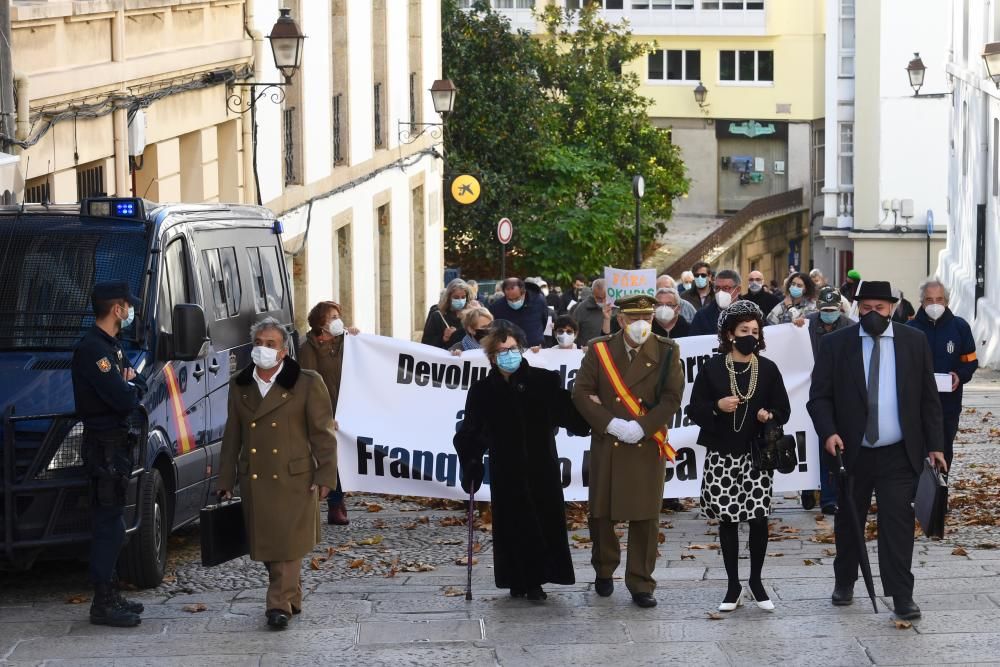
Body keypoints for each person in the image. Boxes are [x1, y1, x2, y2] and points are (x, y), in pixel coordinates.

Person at [807, 281, 947, 621]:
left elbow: (929, 398)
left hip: (899, 453)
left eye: (880, 309)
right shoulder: (836, 345)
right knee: (849, 519)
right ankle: (845, 580)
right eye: (866, 308)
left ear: (892, 308)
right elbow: (819, 397)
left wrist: (936, 446)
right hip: (851, 452)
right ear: (857, 309)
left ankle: (902, 595)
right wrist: (828, 432)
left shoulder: (914, 342)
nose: (873, 315)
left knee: (897, 523)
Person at [454, 320, 590, 600]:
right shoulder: (482, 391)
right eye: (503, 350)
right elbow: (470, 431)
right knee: (513, 525)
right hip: (507, 469)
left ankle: (539, 579)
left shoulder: (544, 380)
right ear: (492, 356)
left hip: (542, 467)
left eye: (514, 348)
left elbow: (570, 413)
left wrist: (591, 412)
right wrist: (471, 461)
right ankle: (517, 579)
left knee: (543, 521)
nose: (509, 354)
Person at [217, 318, 338, 629]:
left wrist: (326, 475)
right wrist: (225, 480)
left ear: (284, 351)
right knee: (268, 545)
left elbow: (323, 434)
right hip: (255, 477)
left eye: (270, 344)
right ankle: (291, 594)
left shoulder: (307, 382)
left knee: (286, 542)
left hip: (294, 477)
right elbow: (233, 435)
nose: (263, 349)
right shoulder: (239, 384)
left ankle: (277, 605)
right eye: (258, 342)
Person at [572, 295, 685, 609]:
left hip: (646, 444)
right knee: (602, 514)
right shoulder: (600, 349)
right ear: (620, 320)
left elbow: (672, 396)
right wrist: (610, 424)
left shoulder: (666, 350)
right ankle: (604, 569)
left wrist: (644, 427)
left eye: (647, 319)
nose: (641, 325)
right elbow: (581, 392)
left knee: (645, 517)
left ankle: (641, 582)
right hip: (610, 442)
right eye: (634, 319)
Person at [685, 301, 790, 612]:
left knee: (759, 519)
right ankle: (733, 584)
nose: (750, 336)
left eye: (755, 331)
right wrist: (718, 406)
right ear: (730, 334)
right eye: (744, 330)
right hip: (722, 454)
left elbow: (783, 409)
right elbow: (694, 409)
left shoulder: (768, 369)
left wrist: (768, 414)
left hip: (757, 456)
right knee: (728, 520)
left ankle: (756, 581)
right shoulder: (712, 367)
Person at [71, 280, 147, 627]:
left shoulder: (111, 345)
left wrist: (130, 383)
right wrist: (129, 385)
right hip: (103, 448)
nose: (130, 311)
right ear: (117, 308)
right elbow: (124, 397)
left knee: (114, 522)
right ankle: (102, 602)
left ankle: (112, 593)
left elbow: (136, 384)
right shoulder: (93, 350)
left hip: (115, 446)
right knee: (107, 524)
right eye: (127, 306)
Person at [297, 300, 360, 526]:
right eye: (331, 317)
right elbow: (309, 382)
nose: (337, 321)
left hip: (346, 408)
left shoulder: (346, 342)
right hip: (325, 411)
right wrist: (321, 414)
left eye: (338, 316)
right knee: (325, 456)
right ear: (320, 323)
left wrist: (356, 338)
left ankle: (336, 501)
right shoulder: (309, 348)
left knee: (341, 457)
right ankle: (327, 502)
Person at [907, 279, 979, 469]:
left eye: (939, 299)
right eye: (929, 300)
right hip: (916, 406)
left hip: (948, 405)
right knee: (917, 454)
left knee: (944, 452)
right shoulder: (909, 329)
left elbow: (971, 362)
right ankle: (916, 496)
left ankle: (940, 495)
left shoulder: (960, 327)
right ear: (922, 302)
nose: (934, 304)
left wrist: (959, 375)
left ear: (946, 301)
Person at [802, 287, 852, 515]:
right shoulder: (807, 326)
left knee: (830, 444)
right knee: (805, 443)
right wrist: (794, 328)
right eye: (824, 310)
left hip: (839, 393)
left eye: (833, 310)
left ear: (840, 308)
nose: (828, 313)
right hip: (807, 391)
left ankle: (830, 498)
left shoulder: (850, 327)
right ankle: (808, 490)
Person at [488, 277, 548, 350]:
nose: (513, 302)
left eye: (516, 298)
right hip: (510, 351)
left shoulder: (539, 301)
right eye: (509, 299)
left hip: (535, 348)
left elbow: (544, 320)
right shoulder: (497, 307)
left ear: (524, 292)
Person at [612, 287, 690, 339]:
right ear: (653, 306)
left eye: (669, 305)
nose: (663, 308)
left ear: (678, 308)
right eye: (659, 304)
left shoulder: (687, 327)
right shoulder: (645, 325)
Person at [421, 279, 474, 349]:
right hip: (443, 358)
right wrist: (444, 338)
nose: (460, 300)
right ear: (448, 297)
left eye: (463, 297)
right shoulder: (437, 315)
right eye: (456, 297)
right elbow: (426, 343)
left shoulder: (472, 315)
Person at [690, 269, 741, 336]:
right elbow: (693, 341)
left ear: (738, 290)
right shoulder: (702, 316)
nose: (720, 292)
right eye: (717, 288)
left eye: (726, 288)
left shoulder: (750, 313)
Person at [570, 279, 613, 346]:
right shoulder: (581, 308)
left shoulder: (614, 306)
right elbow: (572, 332)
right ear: (593, 294)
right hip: (586, 351)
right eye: (599, 298)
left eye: (605, 297)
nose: (603, 301)